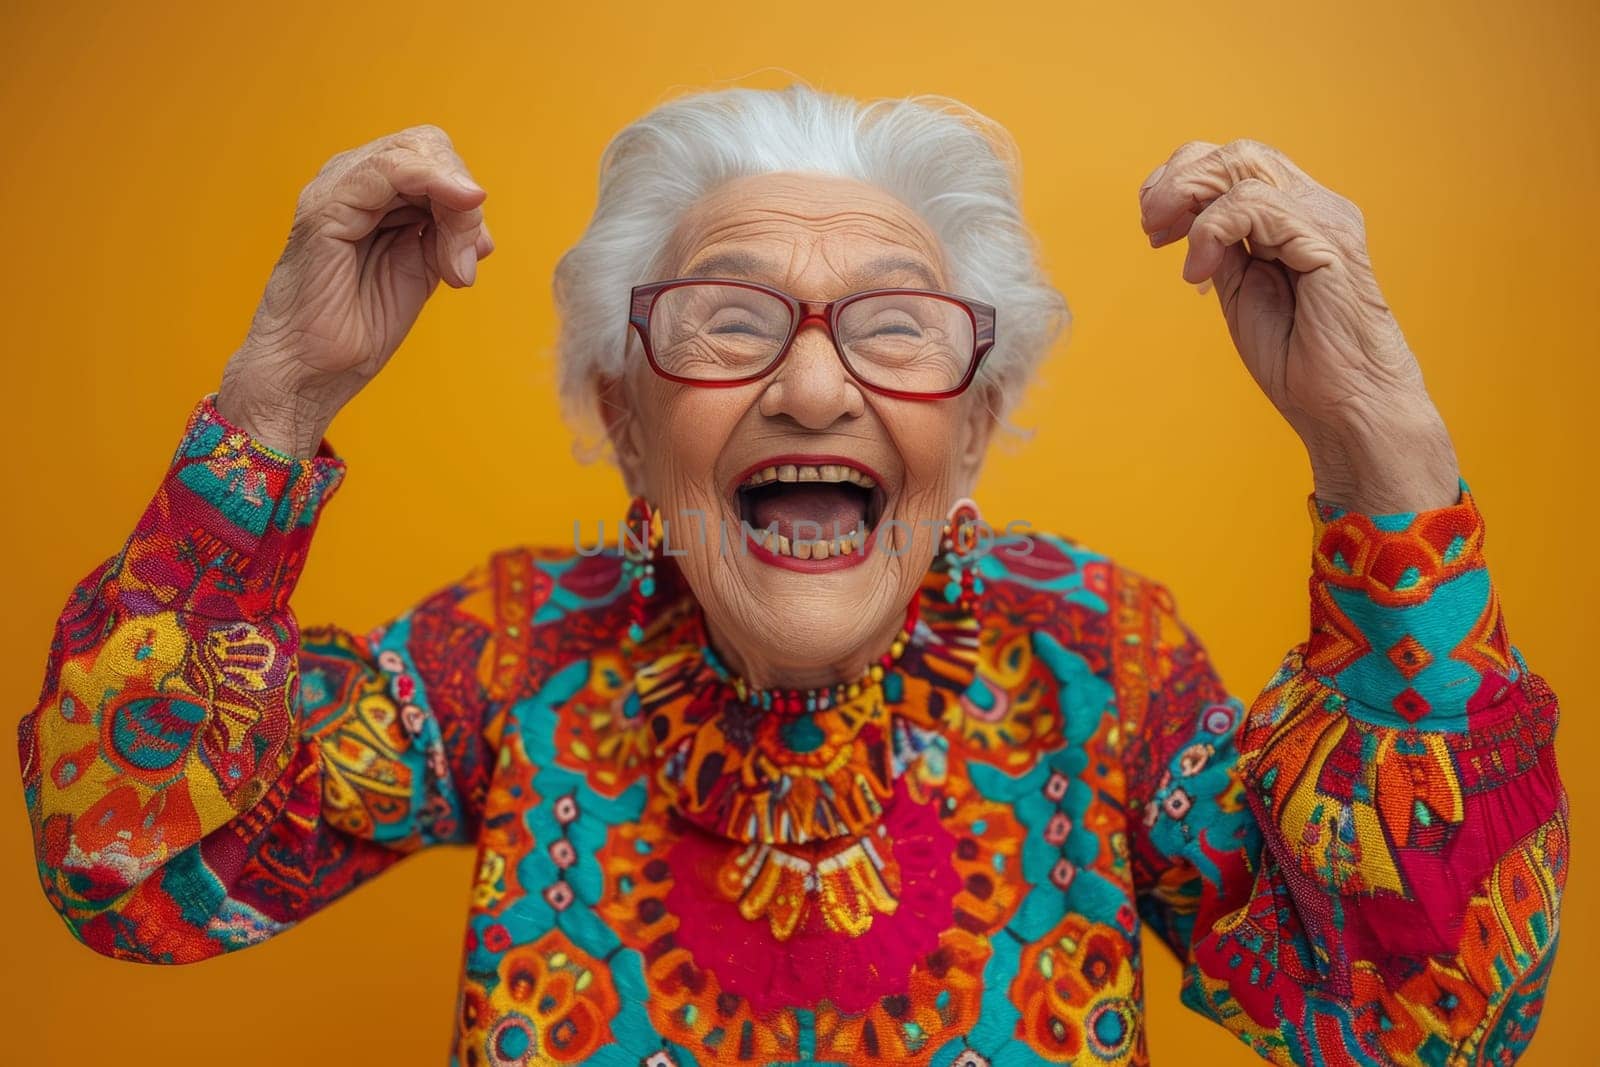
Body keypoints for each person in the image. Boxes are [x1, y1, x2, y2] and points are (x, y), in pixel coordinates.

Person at [17, 85, 1566, 1066]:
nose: (815, 393)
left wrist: (1382, 453)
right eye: (728, 319)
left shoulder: (1101, 661)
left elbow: (1424, 1021)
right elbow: (124, 863)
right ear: (627, 423)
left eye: (895, 326)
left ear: (973, 426)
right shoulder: (509, 657)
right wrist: (279, 393)